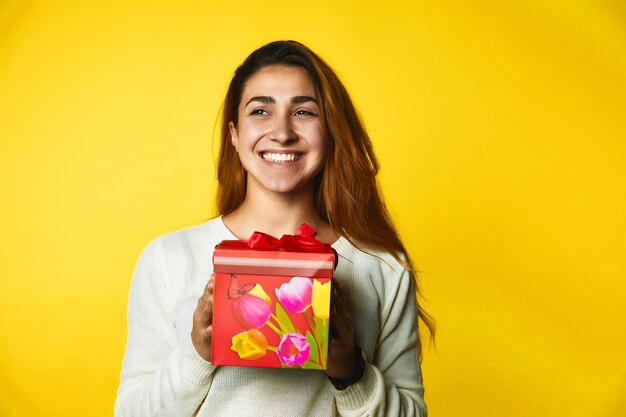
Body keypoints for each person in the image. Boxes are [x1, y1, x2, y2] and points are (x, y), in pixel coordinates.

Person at [114, 40, 434, 417]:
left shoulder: (383, 267)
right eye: (261, 110)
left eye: (303, 111)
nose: (282, 133)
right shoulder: (168, 259)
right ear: (234, 133)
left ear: (329, 131)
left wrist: (351, 372)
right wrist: (197, 354)